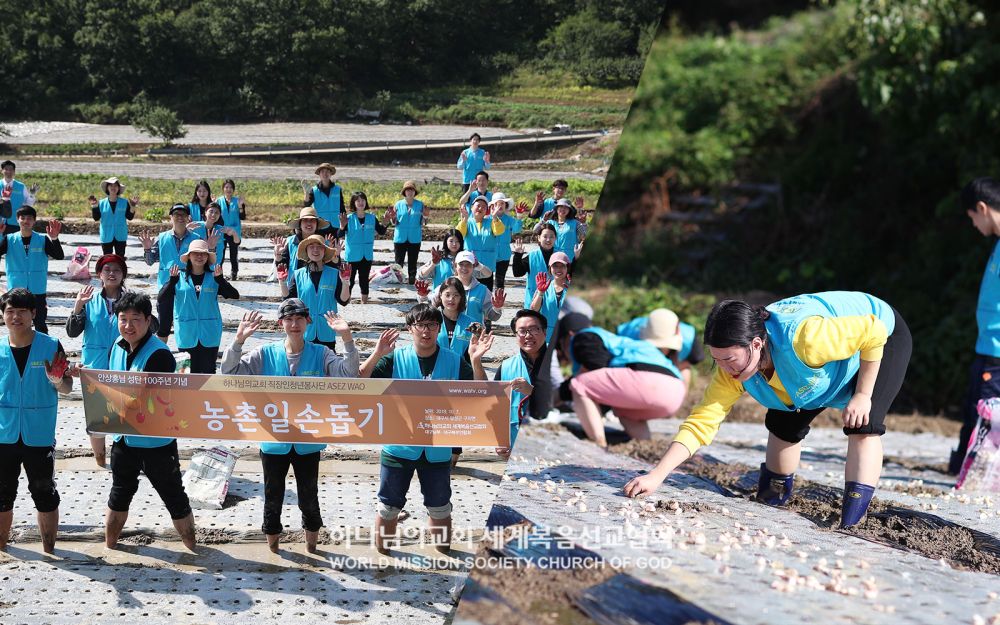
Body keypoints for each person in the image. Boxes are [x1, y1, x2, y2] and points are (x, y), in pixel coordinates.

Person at [623, 292, 912, 529]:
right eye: (716, 360)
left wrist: (862, 395)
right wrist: (657, 475)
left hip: (881, 338)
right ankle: (772, 498)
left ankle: (852, 521)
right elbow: (702, 421)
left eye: (729, 359)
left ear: (756, 344)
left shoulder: (807, 339)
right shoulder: (732, 369)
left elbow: (873, 332)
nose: (724, 369)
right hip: (810, 374)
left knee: (862, 424)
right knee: (783, 423)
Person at [221, 302, 360, 553]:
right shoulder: (265, 353)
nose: (294, 324)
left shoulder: (321, 353)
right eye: (289, 319)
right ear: (280, 324)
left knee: (309, 496)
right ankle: (273, 546)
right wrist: (238, 341)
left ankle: (312, 547)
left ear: (308, 322)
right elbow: (229, 372)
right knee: (272, 496)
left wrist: (347, 338)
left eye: (299, 319)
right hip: (274, 440)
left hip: (308, 441)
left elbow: (349, 375)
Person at [359, 303, 493, 555]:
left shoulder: (454, 361)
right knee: (388, 507)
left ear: (439, 328)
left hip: (438, 450)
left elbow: (482, 394)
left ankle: (443, 554)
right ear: (410, 329)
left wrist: (476, 361)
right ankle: (384, 556)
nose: (426, 331)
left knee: (440, 507)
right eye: (420, 325)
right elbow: (360, 383)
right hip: (398, 447)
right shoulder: (394, 358)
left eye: (432, 325)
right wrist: (377, 353)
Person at [103, 292, 196, 550]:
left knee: (174, 497)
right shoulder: (116, 346)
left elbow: (140, 400)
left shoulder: (160, 355)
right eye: (123, 319)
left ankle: (192, 548)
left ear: (148, 321)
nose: (128, 326)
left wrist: (100, 391)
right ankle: (109, 547)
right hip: (123, 437)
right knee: (119, 494)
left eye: (136, 319)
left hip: (156, 442)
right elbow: (110, 380)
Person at [0, 288, 73, 554]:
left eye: (22, 311)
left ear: (33, 313)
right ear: (3, 315)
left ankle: (50, 549)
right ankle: (2, 549)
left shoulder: (50, 345)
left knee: (44, 493)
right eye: (10, 311)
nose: (15, 316)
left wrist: (57, 380)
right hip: (3, 434)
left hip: (38, 434)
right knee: (2, 495)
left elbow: (66, 386)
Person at [554, 312, 687, 447]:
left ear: (569, 337)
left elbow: (595, 367)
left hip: (645, 379)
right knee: (624, 411)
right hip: (675, 391)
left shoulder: (584, 337)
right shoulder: (628, 344)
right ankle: (646, 444)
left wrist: (553, 399)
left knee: (579, 384)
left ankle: (598, 443)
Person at [66, 254, 131, 467]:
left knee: (124, 416)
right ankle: (100, 459)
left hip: (124, 367)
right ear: (99, 274)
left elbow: (152, 326)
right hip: (94, 368)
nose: (112, 274)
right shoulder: (89, 299)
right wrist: (77, 307)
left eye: (117, 270)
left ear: (123, 275)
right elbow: (72, 332)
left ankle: (122, 458)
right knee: (97, 418)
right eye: (107, 270)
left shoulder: (131, 300)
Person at [955, 177, 1000, 473]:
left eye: (973, 218)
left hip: (998, 350)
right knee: (973, 407)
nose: (973, 225)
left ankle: (980, 472)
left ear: (982, 208)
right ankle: (960, 465)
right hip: (986, 345)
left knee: (988, 413)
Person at [158, 239, 241, 374]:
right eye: (195, 253)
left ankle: (207, 396)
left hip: (210, 333)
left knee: (208, 372)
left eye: (203, 254)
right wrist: (171, 282)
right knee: (184, 373)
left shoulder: (214, 277)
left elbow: (234, 295)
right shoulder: (178, 277)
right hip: (185, 333)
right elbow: (161, 298)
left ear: (208, 257)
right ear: (189, 256)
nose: (199, 257)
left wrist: (221, 280)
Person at [139, 203, 199, 342]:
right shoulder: (162, 238)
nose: (180, 217)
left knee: (186, 321)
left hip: (188, 286)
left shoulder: (196, 239)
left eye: (183, 215)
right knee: (163, 324)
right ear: (171, 217)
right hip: (166, 286)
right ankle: (162, 355)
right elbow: (149, 261)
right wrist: (147, 249)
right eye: (176, 214)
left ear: (188, 217)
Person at [0, 206, 64, 333]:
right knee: (16, 324)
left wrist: (55, 238)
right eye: (22, 218)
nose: (25, 221)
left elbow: (59, 256)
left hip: (37, 289)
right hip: (16, 289)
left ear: (34, 221)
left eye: (29, 218)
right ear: (17, 220)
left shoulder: (42, 239)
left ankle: (43, 350)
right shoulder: (9, 239)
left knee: (40, 323)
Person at [285, 235, 351, 353]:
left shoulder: (334, 273)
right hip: (304, 331)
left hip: (327, 329)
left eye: (319, 247)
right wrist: (281, 282)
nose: (315, 250)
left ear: (324, 251)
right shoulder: (298, 275)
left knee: (327, 368)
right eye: (312, 247)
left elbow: (343, 301)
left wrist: (346, 283)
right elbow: (287, 300)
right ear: (306, 251)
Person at [495, 309, 544, 456]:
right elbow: (494, 408)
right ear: (515, 336)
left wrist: (533, 392)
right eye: (522, 331)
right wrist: (499, 441)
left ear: (545, 332)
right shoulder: (506, 367)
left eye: (534, 329)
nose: (528, 336)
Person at [618, 308, 705, 387]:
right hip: (635, 367)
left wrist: (668, 368)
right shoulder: (629, 333)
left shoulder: (688, 338)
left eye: (661, 348)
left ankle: (678, 401)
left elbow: (693, 359)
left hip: (674, 365)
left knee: (685, 371)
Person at [340, 191, 388, 304]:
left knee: (364, 280)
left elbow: (381, 232)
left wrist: (385, 223)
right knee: (349, 280)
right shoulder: (349, 218)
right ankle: (347, 301)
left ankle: (364, 303)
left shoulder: (372, 217)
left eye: (363, 200)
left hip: (366, 255)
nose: (361, 203)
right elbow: (339, 235)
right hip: (352, 255)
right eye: (358, 200)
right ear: (354, 203)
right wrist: (342, 226)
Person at [416, 277, 478, 360]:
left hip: (461, 369)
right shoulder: (431, 320)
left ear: (461, 297)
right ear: (441, 295)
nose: (451, 299)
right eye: (447, 295)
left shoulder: (471, 323)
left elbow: (473, 354)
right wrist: (423, 297)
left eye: (456, 295)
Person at [272, 207, 332, 287]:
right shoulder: (290, 242)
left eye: (312, 220)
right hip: (295, 286)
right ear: (300, 224)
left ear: (317, 224)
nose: (309, 223)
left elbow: (331, 266)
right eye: (305, 220)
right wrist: (278, 255)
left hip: (318, 287)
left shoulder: (323, 242)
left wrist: (335, 256)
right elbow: (283, 266)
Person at [457, 194, 506, 291]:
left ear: (486, 210)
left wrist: (495, 216)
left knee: (486, 293)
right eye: (478, 205)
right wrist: (465, 219)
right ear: (471, 208)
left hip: (487, 265)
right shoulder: (467, 222)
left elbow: (499, 231)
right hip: (470, 264)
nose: (480, 208)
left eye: (484, 207)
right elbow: (459, 235)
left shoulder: (491, 221)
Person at [451, 251, 504, 326]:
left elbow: (493, 317)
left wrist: (497, 308)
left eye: (468, 265)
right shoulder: (446, 286)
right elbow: (433, 305)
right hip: (449, 335)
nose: (464, 268)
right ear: (455, 265)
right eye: (461, 264)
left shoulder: (482, 290)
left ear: (473, 266)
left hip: (474, 335)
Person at [388, 180, 425, 285]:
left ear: (414, 192)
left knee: (413, 260)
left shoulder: (420, 205)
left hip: (415, 236)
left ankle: (412, 278)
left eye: (412, 190)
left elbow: (423, 221)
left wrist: (426, 216)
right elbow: (394, 222)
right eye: (407, 190)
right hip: (400, 237)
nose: (410, 192)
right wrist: (392, 217)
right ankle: (397, 278)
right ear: (404, 192)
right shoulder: (398, 205)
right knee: (399, 261)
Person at [529, 251, 571, 344]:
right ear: (550, 268)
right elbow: (533, 310)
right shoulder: (544, 287)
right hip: (546, 335)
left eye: (562, 266)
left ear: (567, 268)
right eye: (555, 266)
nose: (558, 269)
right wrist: (541, 292)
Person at [88, 177, 137, 256]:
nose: (113, 187)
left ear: (118, 188)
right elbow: (96, 218)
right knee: (107, 258)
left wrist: (133, 206)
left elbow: (130, 217)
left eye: (115, 186)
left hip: (120, 234)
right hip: (106, 235)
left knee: (120, 259)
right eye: (111, 185)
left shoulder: (124, 202)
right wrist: (94, 206)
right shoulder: (101, 203)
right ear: (107, 188)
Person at [534, 197, 587, 266]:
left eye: (566, 207)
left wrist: (583, 223)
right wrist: (543, 220)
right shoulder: (550, 222)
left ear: (569, 210)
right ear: (556, 209)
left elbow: (584, 236)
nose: (563, 209)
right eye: (561, 207)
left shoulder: (575, 223)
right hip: (553, 257)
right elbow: (535, 230)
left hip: (570, 258)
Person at [513, 222, 556, 305]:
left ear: (555, 238)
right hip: (533, 300)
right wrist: (517, 255)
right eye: (545, 236)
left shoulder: (560, 257)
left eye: (551, 237)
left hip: (553, 301)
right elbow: (517, 273)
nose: (548, 239)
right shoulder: (532, 256)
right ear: (539, 238)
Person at [490, 193, 525, 291]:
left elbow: (516, 230)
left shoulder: (509, 219)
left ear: (506, 206)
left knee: (500, 280)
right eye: (498, 204)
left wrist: (519, 216)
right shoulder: (488, 219)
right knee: (487, 279)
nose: (500, 206)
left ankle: (498, 302)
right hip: (490, 253)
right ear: (493, 206)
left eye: (503, 203)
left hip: (504, 254)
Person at [188, 201, 239, 269]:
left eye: (216, 213)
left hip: (215, 266)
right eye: (211, 211)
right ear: (205, 212)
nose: (213, 214)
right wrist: (186, 229)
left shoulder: (221, 230)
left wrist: (234, 233)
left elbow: (236, 242)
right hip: (197, 264)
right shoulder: (196, 226)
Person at [216, 180, 247, 280]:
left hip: (234, 231)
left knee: (233, 254)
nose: (228, 189)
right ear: (223, 189)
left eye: (230, 187)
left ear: (233, 189)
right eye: (226, 187)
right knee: (221, 253)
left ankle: (234, 273)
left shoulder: (237, 201)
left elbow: (243, 217)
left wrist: (240, 207)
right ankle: (218, 273)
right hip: (222, 231)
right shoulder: (218, 201)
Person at [1, 160, 38, 235]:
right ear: (2, 171)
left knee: (15, 244)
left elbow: (27, 205)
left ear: (14, 171)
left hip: (16, 222)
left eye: (11, 169)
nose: (8, 171)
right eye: (6, 169)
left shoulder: (21, 186)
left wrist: (32, 194)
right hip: (1, 223)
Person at [302, 163, 344, 229]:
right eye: (322, 172)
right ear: (319, 174)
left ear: (331, 174)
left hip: (336, 225)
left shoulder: (338, 189)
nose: (325, 174)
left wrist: (344, 226)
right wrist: (306, 193)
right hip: (320, 225)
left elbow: (342, 208)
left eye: (327, 171)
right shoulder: (314, 190)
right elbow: (306, 205)